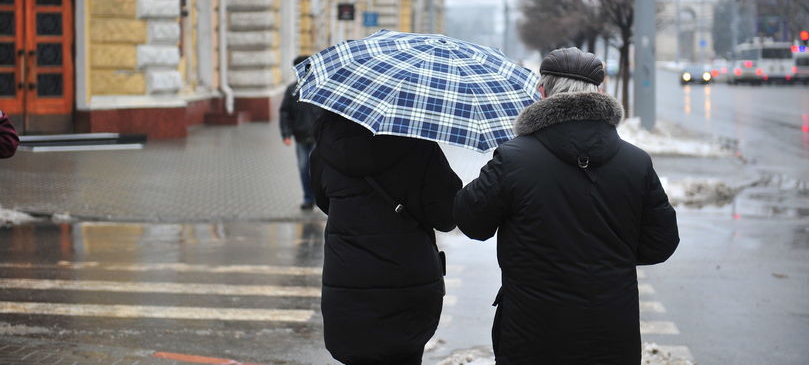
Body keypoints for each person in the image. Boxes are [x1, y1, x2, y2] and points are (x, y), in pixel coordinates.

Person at [453, 47, 680, 364]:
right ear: (599, 92)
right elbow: (661, 243)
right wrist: (610, 258)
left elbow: (472, 222)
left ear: (542, 92)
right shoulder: (635, 162)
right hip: (611, 332)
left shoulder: (514, 158)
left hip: (532, 333)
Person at [310, 110, 461, 365]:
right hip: (408, 286)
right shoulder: (419, 145)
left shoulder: (325, 149)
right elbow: (447, 216)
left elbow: (324, 201)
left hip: (348, 285)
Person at [279, 55, 322, 209]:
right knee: (304, 168)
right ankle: (308, 198)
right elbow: (285, 112)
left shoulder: (319, 87)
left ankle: (320, 198)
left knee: (317, 169)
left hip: (318, 138)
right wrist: (286, 134)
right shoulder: (292, 90)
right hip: (301, 137)